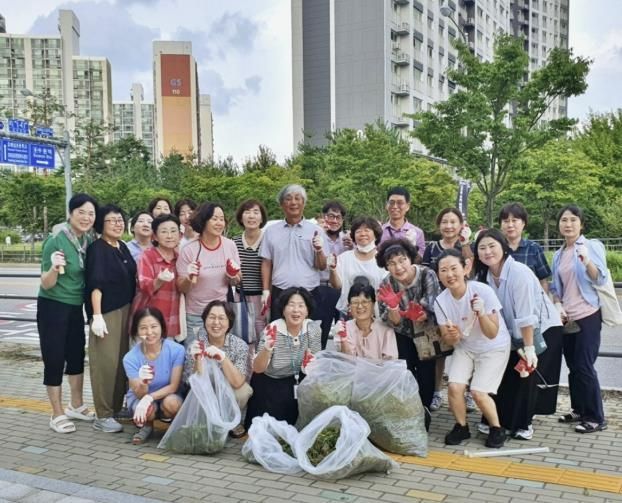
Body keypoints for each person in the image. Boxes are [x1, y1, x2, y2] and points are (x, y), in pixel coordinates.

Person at [474, 229, 562, 440]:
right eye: (482, 248)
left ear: (504, 248)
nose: (487, 251)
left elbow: (526, 316)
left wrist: (529, 348)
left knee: (525, 375)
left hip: (540, 330)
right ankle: (500, 421)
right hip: (513, 332)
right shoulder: (484, 276)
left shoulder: (519, 273)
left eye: (492, 246)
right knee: (505, 374)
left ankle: (523, 425)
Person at [433, 249, 511, 448]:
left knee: (478, 392)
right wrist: (453, 335)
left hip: (493, 346)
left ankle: (497, 428)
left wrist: (482, 313)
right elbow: (448, 339)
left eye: (454, 268)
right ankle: (461, 426)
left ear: (465, 268)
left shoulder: (482, 291)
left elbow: (492, 333)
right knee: (454, 387)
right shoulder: (440, 301)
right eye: (443, 270)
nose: (450, 274)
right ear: (438, 275)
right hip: (466, 347)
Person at [38, 193, 99, 434]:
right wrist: (54, 267)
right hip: (53, 305)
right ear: (70, 213)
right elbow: (46, 283)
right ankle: (57, 413)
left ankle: (76, 405)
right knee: (54, 358)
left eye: (91, 213)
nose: (86, 217)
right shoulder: (56, 240)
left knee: (76, 355)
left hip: (75, 306)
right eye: (81, 212)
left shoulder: (89, 239)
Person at [498, 202, 561, 416]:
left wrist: (544, 306)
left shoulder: (533, 249)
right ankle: (510, 413)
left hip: (530, 316)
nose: (510, 225)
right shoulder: (497, 249)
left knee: (529, 366)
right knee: (509, 370)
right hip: (506, 319)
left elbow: (543, 280)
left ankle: (527, 415)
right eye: (505, 221)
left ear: (523, 223)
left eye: (514, 220)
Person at [551, 205, 608, 433]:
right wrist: (558, 305)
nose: (568, 224)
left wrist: (586, 261)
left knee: (584, 366)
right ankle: (579, 410)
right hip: (568, 317)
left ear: (581, 224)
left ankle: (596, 417)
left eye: (573, 220)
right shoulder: (558, 254)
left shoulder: (591, 246)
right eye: (564, 220)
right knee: (573, 366)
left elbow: (600, 278)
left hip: (588, 315)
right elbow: (556, 287)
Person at [85, 204, 137, 433]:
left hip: (127, 310)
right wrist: (97, 316)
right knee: (105, 364)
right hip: (107, 313)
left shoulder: (121, 246)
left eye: (120, 220)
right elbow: (95, 284)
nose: (118, 224)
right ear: (101, 224)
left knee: (120, 363)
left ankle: (115, 408)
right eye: (112, 220)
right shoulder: (98, 249)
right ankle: (103, 414)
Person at [376, 238, 440, 412]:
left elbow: (432, 305)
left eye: (402, 260)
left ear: (410, 258)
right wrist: (394, 307)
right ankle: (409, 410)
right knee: (406, 371)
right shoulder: (386, 284)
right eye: (391, 263)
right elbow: (392, 320)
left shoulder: (427, 274)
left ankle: (425, 410)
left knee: (426, 372)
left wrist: (420, 314)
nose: (398, 267)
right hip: (402, 333)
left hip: (426, 331)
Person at [422, 207, 474, 413]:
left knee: (468, 349)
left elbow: (472, 270)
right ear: (438, 225)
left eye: (453, 222)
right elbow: (425, 275)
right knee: (439, 354)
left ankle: (468, 393)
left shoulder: (466, 247)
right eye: (444, 221)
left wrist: (466, 243)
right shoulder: (432, 248)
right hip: (439, 307)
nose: (449, 226)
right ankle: (437, 392)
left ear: (461, 225)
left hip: (464, 305)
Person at [245, 287, 321, 427]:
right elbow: (258, 369)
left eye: (301, 305)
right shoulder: (272, 330)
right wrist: (267, 348)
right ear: (283, 309)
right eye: (291, 305)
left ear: (307, 310)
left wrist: (309, 365)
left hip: (297, 378)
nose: (296, 310)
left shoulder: (313, 329)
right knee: (270, 427)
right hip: (271, 381)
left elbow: (316, 362)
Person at [176, 202, 241, 346]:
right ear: (203, 220)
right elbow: (181, 288)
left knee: (220, 355)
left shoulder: (229, 245)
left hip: (221, 314)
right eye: (214, 219)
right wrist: (189, 278)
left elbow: (237, 279)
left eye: (222, 219)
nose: (219, 223)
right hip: (195, 315)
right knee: (195, 355)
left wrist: (233, 276)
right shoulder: (189, 249)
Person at [185, 300, 253, 438]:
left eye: (221, 318)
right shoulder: (196, 344)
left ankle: (232, 421)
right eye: (212, 317)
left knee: (243, 391)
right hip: (205, 391)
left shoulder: (239, 345)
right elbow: (193, 382)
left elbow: (238, 382)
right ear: (205, 320)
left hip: (230, 390)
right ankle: (209, 422)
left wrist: (223, 358)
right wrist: (197, 358)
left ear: (229, 322)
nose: (216, 323)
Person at [259, 184, 327, 322]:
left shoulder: (316, 231)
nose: (293, 202)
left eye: (297, 198)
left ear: (304, 203)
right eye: (288, 198)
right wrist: (266, 290)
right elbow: (266, 263)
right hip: (280, 291)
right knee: (279, 331)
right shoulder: (271, 231)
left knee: (309, 332)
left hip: (309, 292)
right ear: (281, 204)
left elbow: (322, 266)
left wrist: (319, 250)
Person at [123, 307, 185, 445]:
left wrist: (149, 397)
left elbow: (174, 386)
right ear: (136, 331)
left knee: (172, 403)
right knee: (147, 410)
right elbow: (139, 394)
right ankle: (147, 426)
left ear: (162, 327)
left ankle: (177, 427)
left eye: (154, 326)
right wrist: (143, 382)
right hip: (141, 397)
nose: (149, 332)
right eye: (143, 328)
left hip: (169, 394)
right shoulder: (130, 358)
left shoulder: (177, 350)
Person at [132, 214, 182, 340]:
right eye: (164, 232)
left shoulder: (180, 258)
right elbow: (144, 286)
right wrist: (159, 280)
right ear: (155, 236)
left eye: (173, 231)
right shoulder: (147, 256)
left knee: (168, 352)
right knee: (144, 352)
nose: (169, 236)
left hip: (171, 322)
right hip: (147, 322)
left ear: (180, 235)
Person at [328, 216, 387, 319]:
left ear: (376, 234)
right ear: (353, 236)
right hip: (348, 313)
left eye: (367, 230)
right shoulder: (344, 258)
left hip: (375, 314)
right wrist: (332, 269)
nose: (362, 234)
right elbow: (336, 285)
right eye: (358, 231)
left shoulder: (383, 260)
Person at [233, 199, 268, 349]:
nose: (251, 216)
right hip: (240, 297)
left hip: (263, 298)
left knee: (263, 336)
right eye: (247, 212)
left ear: (262, 218)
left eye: (256, 212)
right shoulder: (234, 242)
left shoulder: (268, 241)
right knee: (241, 336)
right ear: (241, 218)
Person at [317, 200, 352, 348]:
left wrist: (352, 246)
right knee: (320, 333)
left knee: (346, 333)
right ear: (324, 217)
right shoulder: (317, 236)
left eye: (338, 217)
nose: (334, 221)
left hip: (342, 289)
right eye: (331, 216)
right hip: (321, 287)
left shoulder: (347, 239)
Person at [336, 280, 398, 361]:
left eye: (365, 302)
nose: (360, 306)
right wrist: (344, 339)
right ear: (349, 306)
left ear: (373, 304)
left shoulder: (386, 330)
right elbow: (347, 362)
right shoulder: (344, 328)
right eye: (355, 302)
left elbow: (390, 363)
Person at [379, 187, 425, 261]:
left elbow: (420, 260)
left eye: (400, 203)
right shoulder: (379, 231)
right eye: (391, 203)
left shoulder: (417, 233)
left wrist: (412, 247)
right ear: (386, 205)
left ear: (407, 206)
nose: (395, 206)